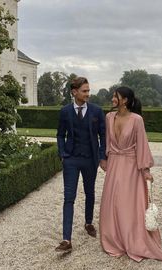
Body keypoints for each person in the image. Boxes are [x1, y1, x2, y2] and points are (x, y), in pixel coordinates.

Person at [100, 86, 162, 262]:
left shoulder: (137, 120)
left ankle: (132, 240)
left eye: (116, 96)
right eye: (113, 96)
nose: (113, 99)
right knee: (112, 203)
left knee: (128, 205)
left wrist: (146, 170)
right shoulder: (108, 117)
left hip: (131, 168)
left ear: (125, 100)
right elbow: (105, 141)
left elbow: (142, 145)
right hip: (114, 165)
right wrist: (104, 159)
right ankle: (115, 239)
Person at [55, 77, 107, 253]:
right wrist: (62, 154)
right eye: (84, 91)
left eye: (88, 91)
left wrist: (102, 157)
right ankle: (66, 239)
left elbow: (103, 136)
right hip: (71, 159)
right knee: (69, 197)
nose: (87, 94)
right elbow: (60, 134)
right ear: (74, 92)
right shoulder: (65, 111)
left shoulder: (97, 111)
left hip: (90, 159)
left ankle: (88, 222)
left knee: (90, 192)